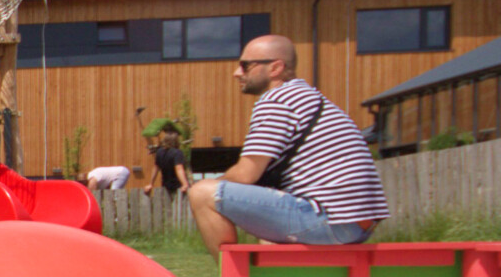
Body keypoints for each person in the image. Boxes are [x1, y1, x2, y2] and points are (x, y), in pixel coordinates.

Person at [185, 33, 388, 258]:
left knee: (202, 193)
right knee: (270, 208)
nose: (237, 73)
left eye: (245, 66)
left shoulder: (277, 101)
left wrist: (211, 188)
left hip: (331, 220)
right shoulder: (307, 98)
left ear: (275, 68)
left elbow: (245, 175)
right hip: (355, 222)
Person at [144, 126, 191, 199]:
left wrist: (151, 183)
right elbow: (179, 168)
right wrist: (184, 184)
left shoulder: (159, 152)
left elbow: (156, 168)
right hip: (177, 187)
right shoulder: (177, 153)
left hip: (165, 186)